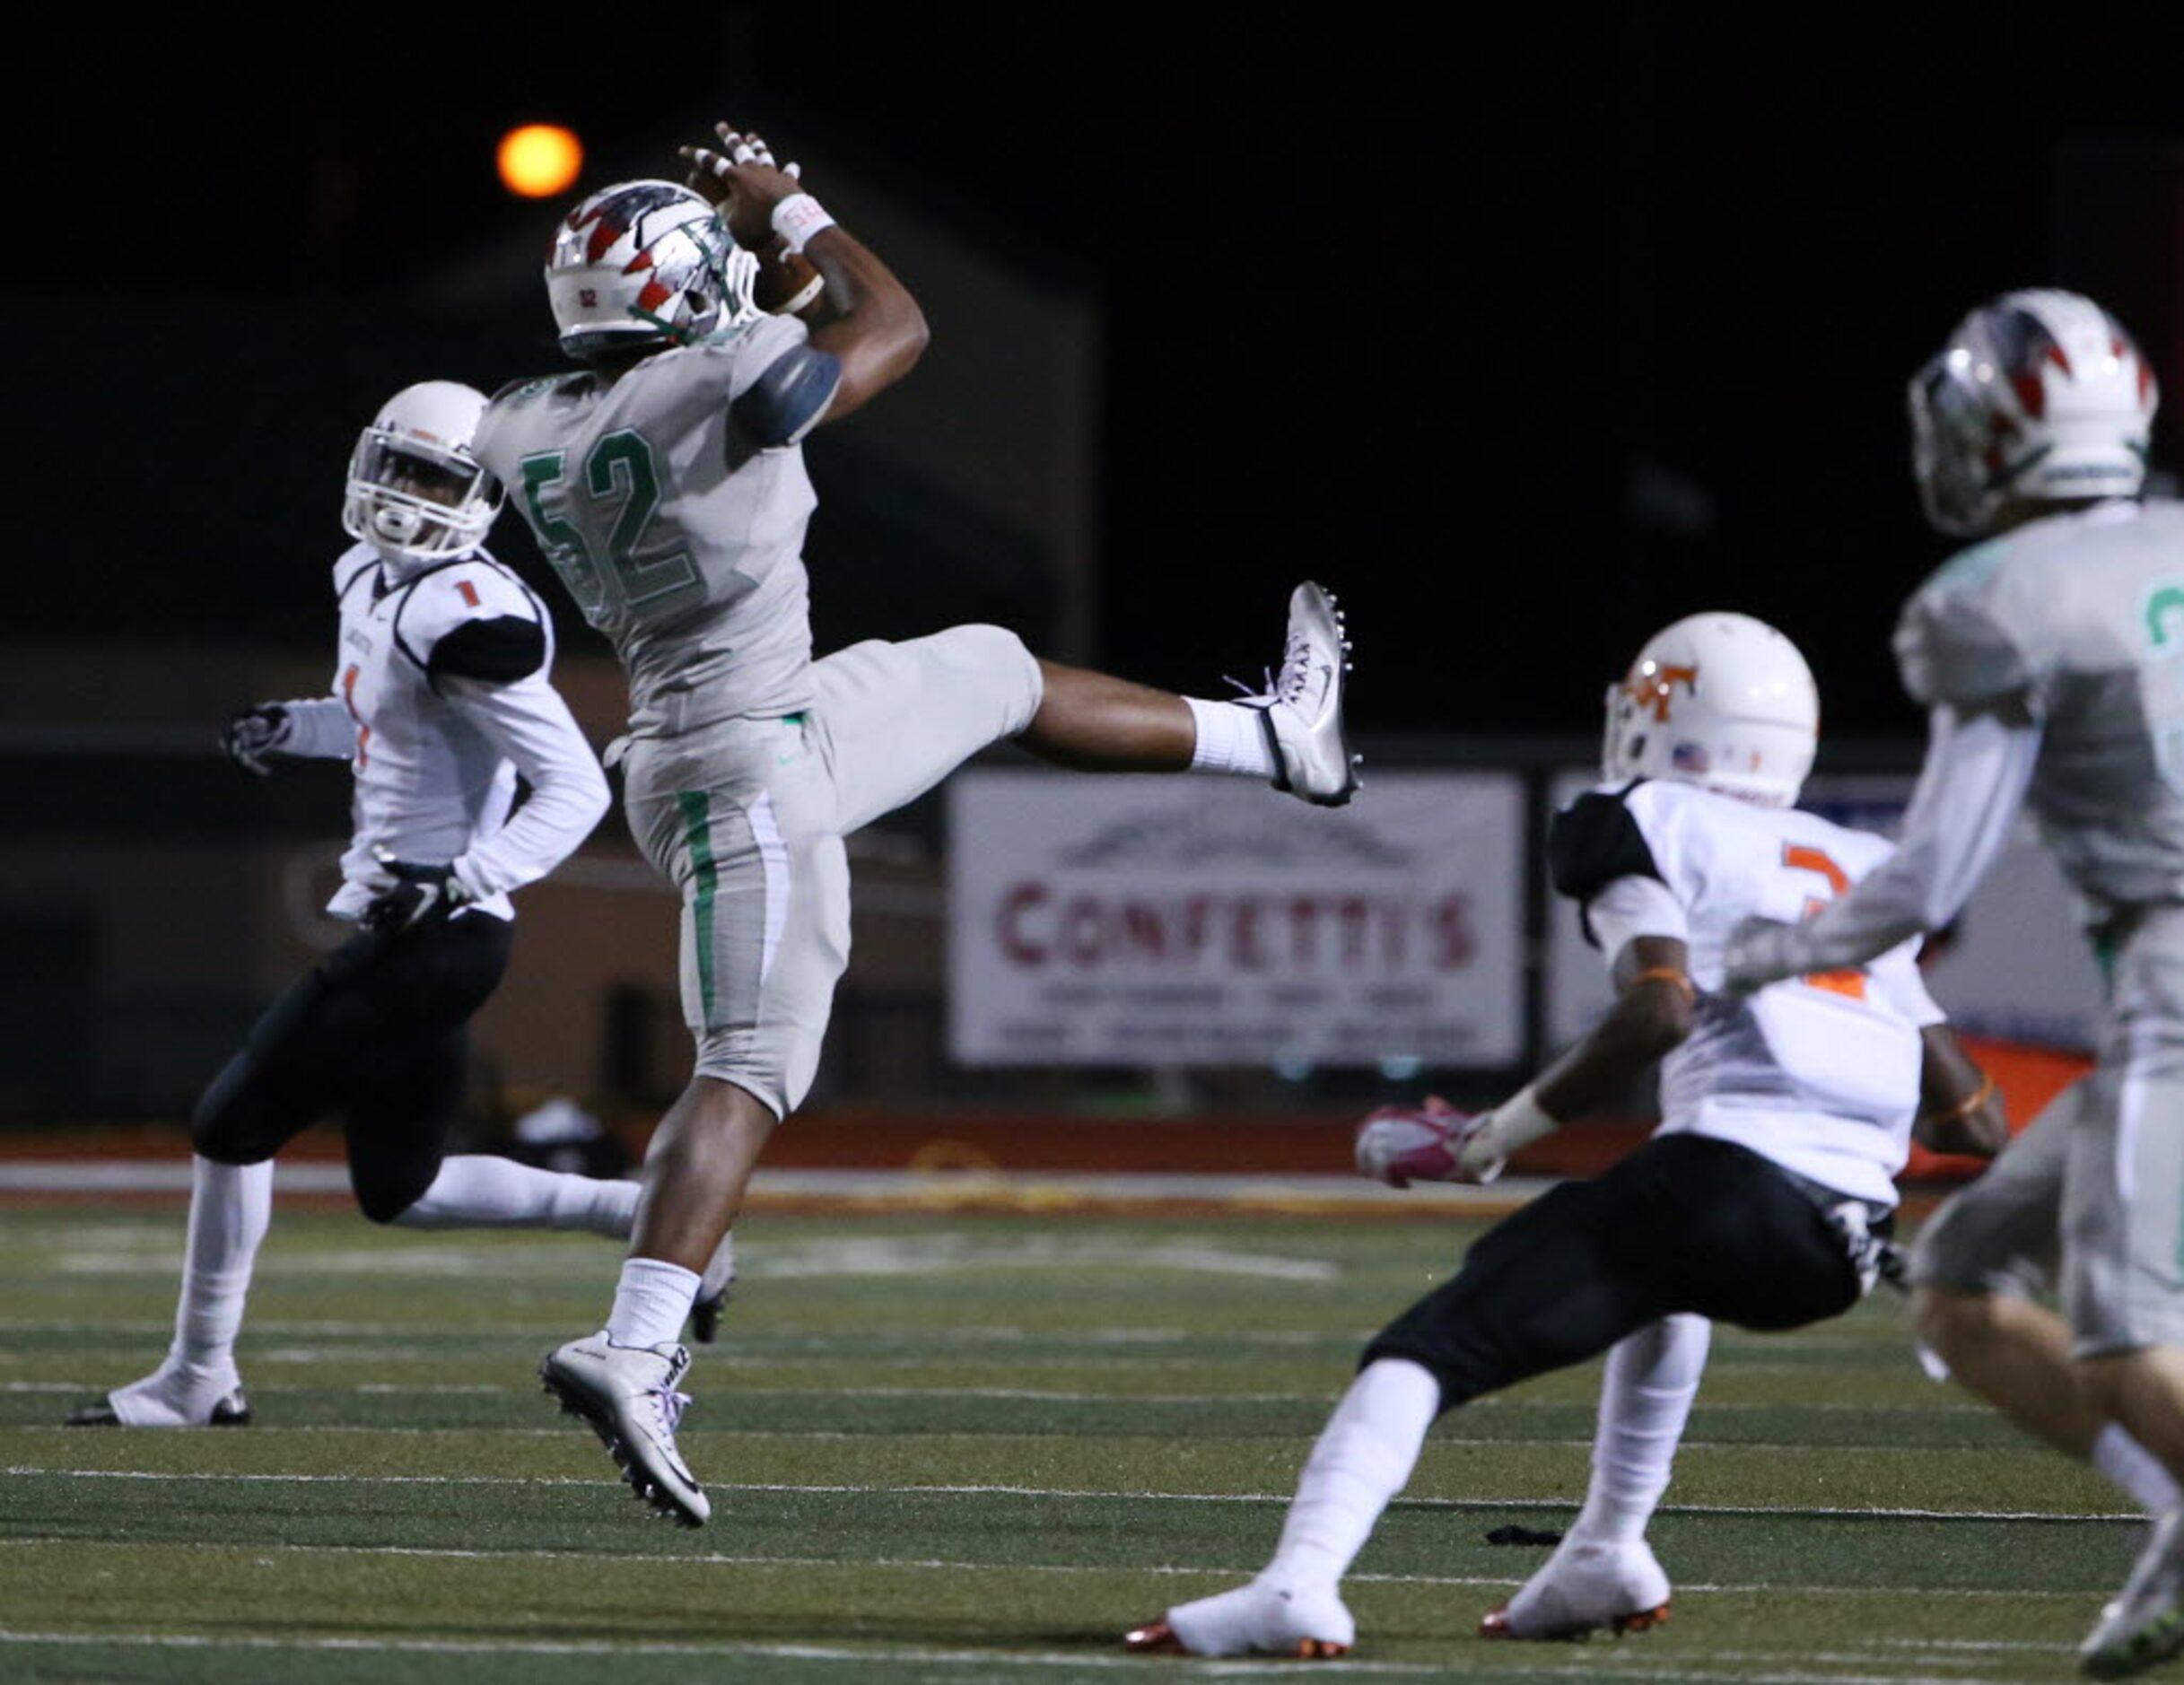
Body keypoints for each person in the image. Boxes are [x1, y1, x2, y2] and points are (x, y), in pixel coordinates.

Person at [470, 123, 1358, 1527]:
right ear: (691, 300)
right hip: (745, 768)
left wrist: (744, 274)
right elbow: (892, 323)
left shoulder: (523, 422)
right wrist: (789, 206)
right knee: (749, 1066)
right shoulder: (718, 374)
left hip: (743, 730)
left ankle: (1274, 742)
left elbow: (759, 361)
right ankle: (634, 1341)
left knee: (993, 668)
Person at [1122, 611, 2001, 1657]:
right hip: (1845, 1241)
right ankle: (1606, 1551)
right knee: (1663, 1271)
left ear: (1669, 719)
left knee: (1426, 1347)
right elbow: (1973, 1119)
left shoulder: (1645, 817)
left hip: (1736, 1181)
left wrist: (1489, 1137)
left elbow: (1657, 1009)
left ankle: (1295, 1586)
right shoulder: (1856, 859)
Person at [66, 381, 730, 1429]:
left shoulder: (469, 610)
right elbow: (385, 720)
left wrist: (467, 876)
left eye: (435, 478)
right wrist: (296, 727)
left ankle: (199, 1377)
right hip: (409, 923)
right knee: (401, 1188)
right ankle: (651, 1214)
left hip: (438, 935)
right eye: (400, 469)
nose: (406, 498)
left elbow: (574, 785)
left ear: (480, 496)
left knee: (231, 1123)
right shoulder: (368, 576)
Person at [1721, 289, 2184, 1679]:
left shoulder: (1994, 602)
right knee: (1963, 1281)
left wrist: (1759, 951)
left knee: (2119, 1344)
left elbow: (1928, 882)